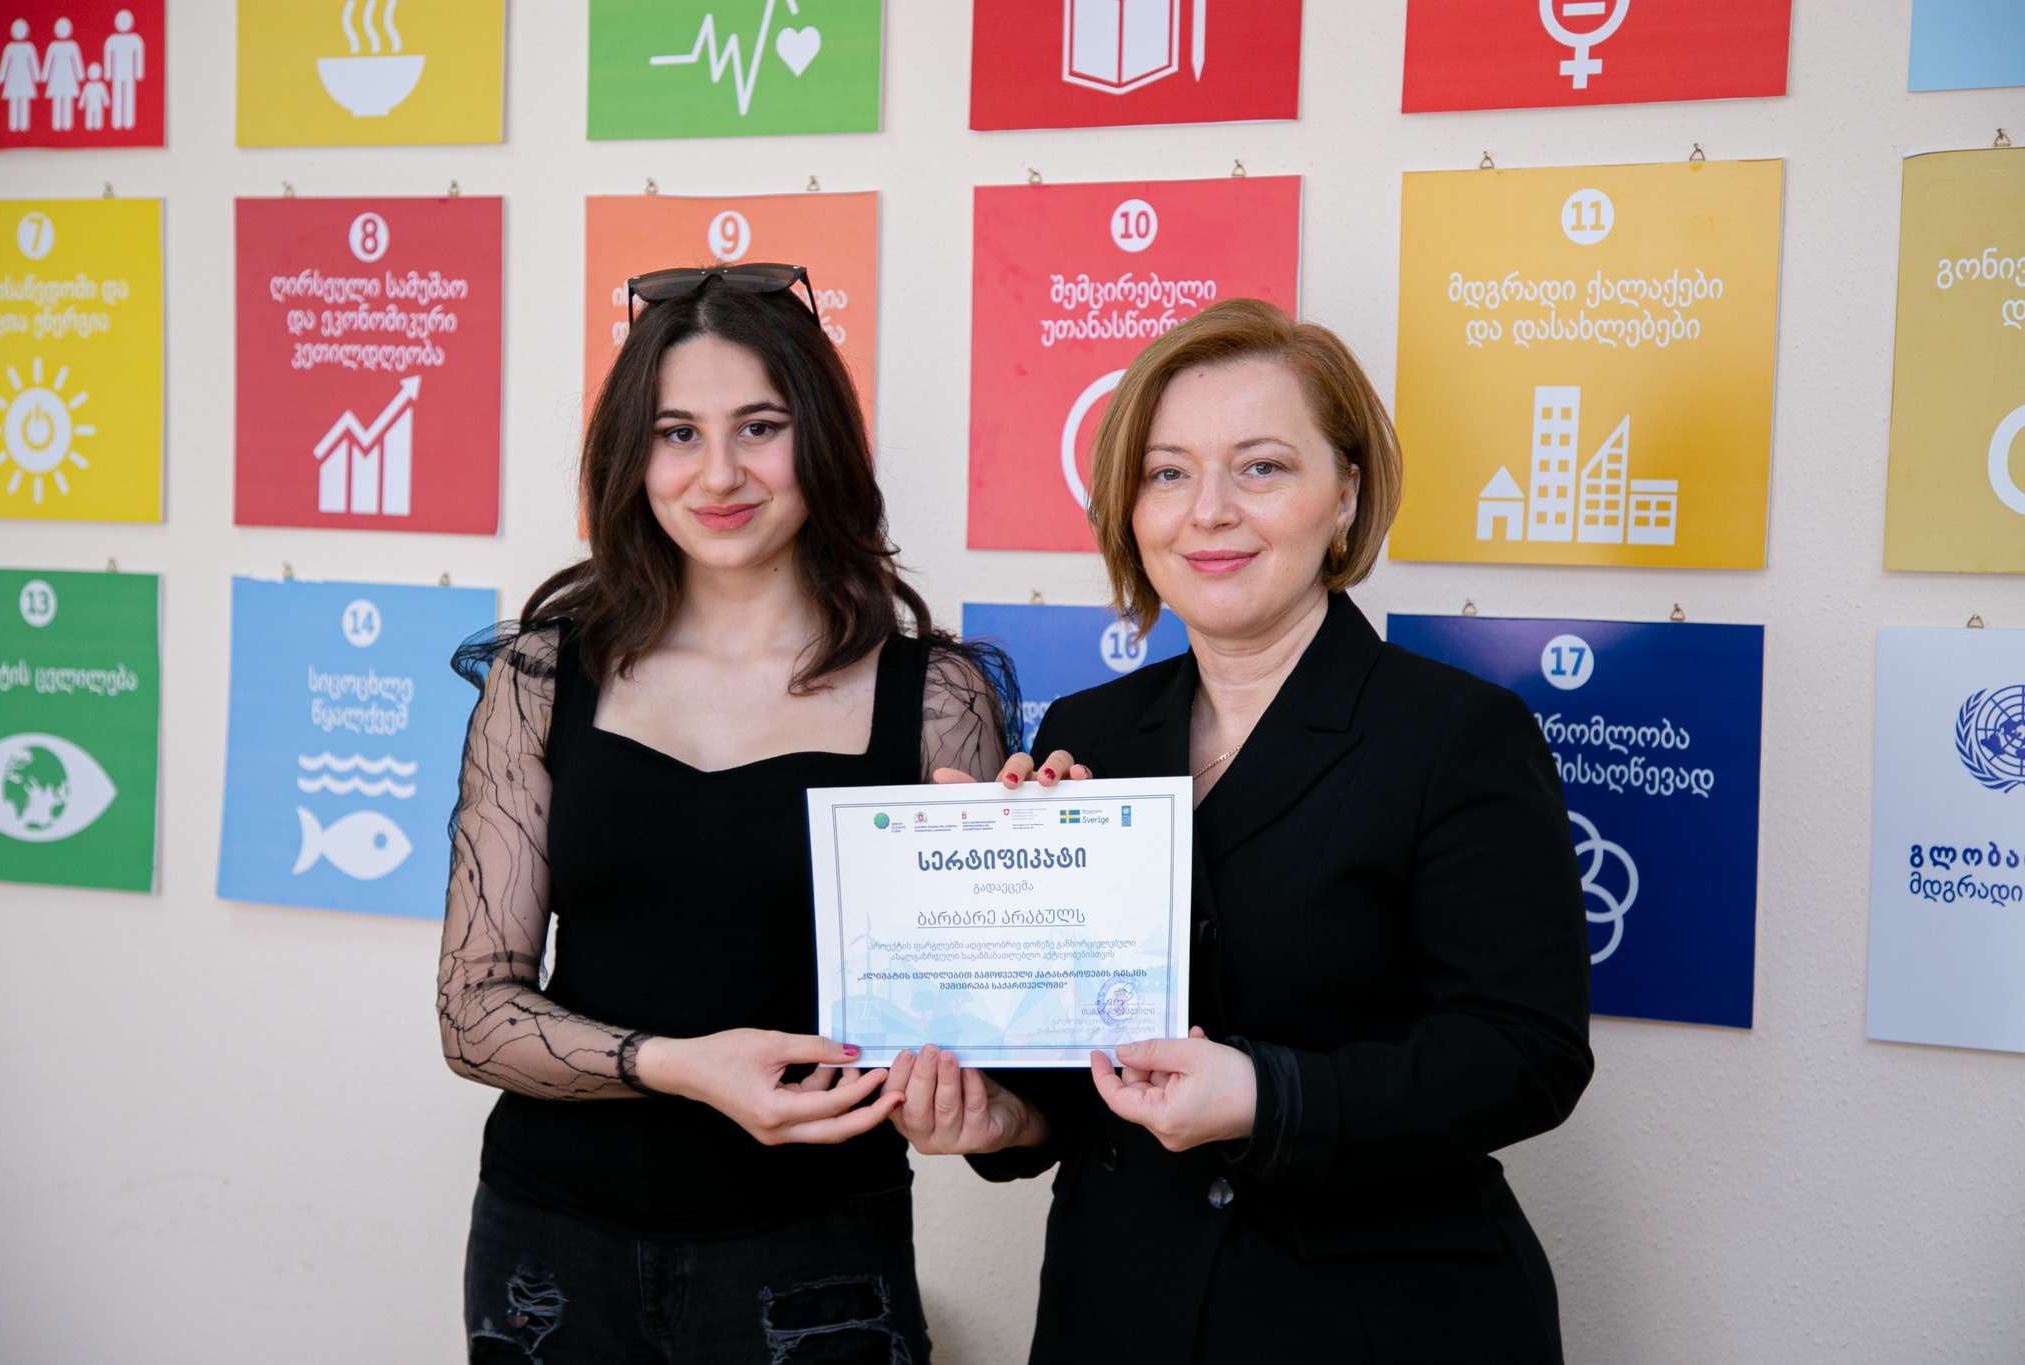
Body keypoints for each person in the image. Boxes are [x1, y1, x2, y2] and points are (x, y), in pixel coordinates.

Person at [885, 298, 1593, 1363]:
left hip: (1373, 1322)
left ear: (1344, 495)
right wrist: (1005, 1116)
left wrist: (1268, 1097)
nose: (1208, 511)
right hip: (1118, 1311)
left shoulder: (1457, 734)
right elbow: (1088, 1056)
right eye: (1167, 473)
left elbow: (1526, 1054)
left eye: (1260, 467)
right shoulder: (1089, 733)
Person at [439, 263, 1013, 1363]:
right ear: (631, 455)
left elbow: (987, 1025)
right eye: (677, 433)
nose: (718, 473)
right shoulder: (541, 678)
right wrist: (680, 1064)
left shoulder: (934, 697)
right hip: (548, 1253)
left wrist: (1057, 849)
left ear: (821, 441)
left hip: (816, 1254)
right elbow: (473, 1013)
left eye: (759, 426)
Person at [103, 9, 144, 130]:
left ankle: (128, 121)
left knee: (129, 95)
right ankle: (117, 121)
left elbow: (138, 56)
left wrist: (138, 73)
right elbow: (108, 57)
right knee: (117, 95)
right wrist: (108, 73)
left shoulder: (135, 40)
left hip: (129, 73)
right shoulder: (112, 40)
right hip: (117, 73)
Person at [40, 17, 83, 133]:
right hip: (56, 78)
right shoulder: (53, 47)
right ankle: (57, 123)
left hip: (69, 78)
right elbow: (48, 62)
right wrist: (44, 76)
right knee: (57, 100)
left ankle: (67, 123)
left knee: (67, 100)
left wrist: (80, 75)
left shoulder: (72, 46)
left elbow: (76, 62)